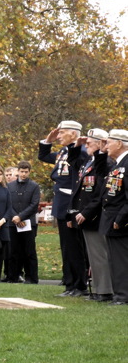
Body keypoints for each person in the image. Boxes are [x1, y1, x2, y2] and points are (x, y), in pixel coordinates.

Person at [38, 120, 87, 296]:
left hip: (71, 204)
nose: (58, 136)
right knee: (66, 247)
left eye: (61, 133)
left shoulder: (81, 151)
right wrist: (47, 141)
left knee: (75, 247)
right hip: (61, 203)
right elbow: (44, 157)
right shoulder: (63, 151)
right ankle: (70, 284)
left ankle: (79, 285)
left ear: (73, 134)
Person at [67, 129, 113, 301]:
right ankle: (99, 289)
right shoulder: (88, 162)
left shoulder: (105, 163)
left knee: (99, 255)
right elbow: (73, 162)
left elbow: (99, 193)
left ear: (101, 143)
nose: (86, 145)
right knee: (93, 256)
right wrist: (75, 146)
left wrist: (86, 213)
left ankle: (105, 290)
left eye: (89, 143)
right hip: (85, 214)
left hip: (95, 215)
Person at [90, 129, 128, 305]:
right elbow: (99, 171)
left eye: (110, 142)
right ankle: (120, 294)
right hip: (111, 219)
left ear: (119, 143)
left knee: (121, 260)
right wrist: (101, 151)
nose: (107, 146)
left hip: (120, 221)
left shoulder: (126, 163)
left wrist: (120, 220)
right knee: (115, 260)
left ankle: (123, 295)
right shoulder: (116, 163)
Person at [7, 161, 40, 284]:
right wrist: (15, 217)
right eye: (21, 171)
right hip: (13, 222)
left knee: (29, 251)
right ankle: (13, 277)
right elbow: (8, 204)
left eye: (26, 172)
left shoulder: (34, 186)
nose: (24, 174)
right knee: (13, 251)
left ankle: (31, 277)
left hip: (28, 222)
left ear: (29, 172)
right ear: (18, 172)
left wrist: (21, 217)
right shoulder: (10, 186)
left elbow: (34, 204)